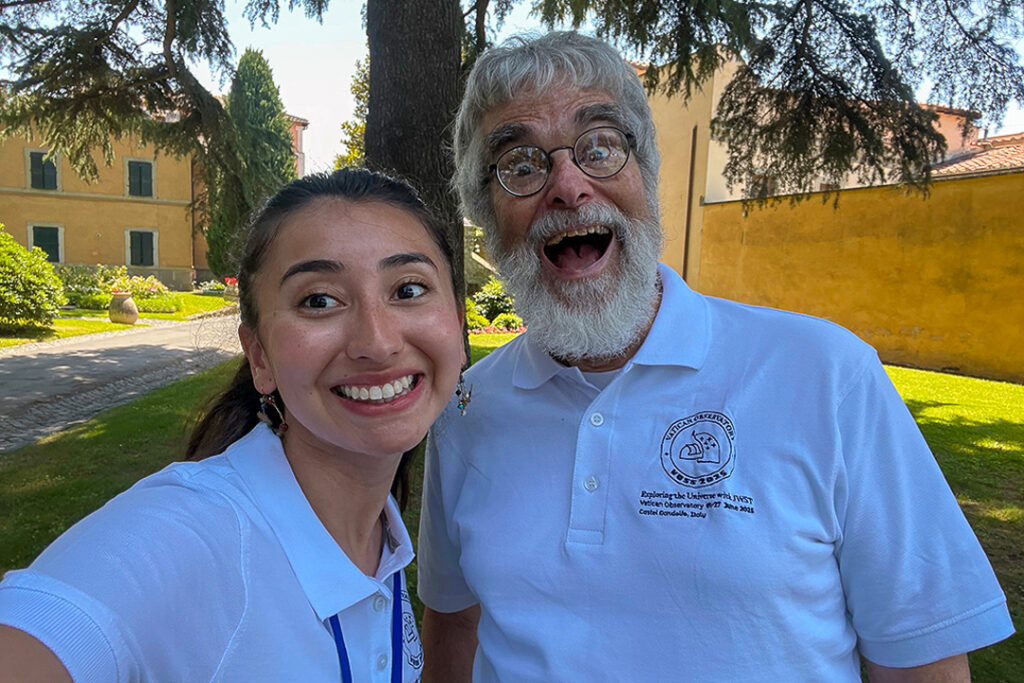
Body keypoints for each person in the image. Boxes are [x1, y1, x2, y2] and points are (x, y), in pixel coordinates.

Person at [417, 32, 1015, 682]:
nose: (568, 185)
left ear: (644, 174)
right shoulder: (465, 410)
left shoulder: (827, 375)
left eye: (599, 147)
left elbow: (921, 663)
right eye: (522, 164)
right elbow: (455, 627)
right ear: (486, 210)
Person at [0, 168, 466, 681]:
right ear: (259, 356)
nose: (376, 342)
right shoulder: (186, 535)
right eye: (319, 300)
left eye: (409, 288)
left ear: (458, 322)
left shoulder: (380, 532)